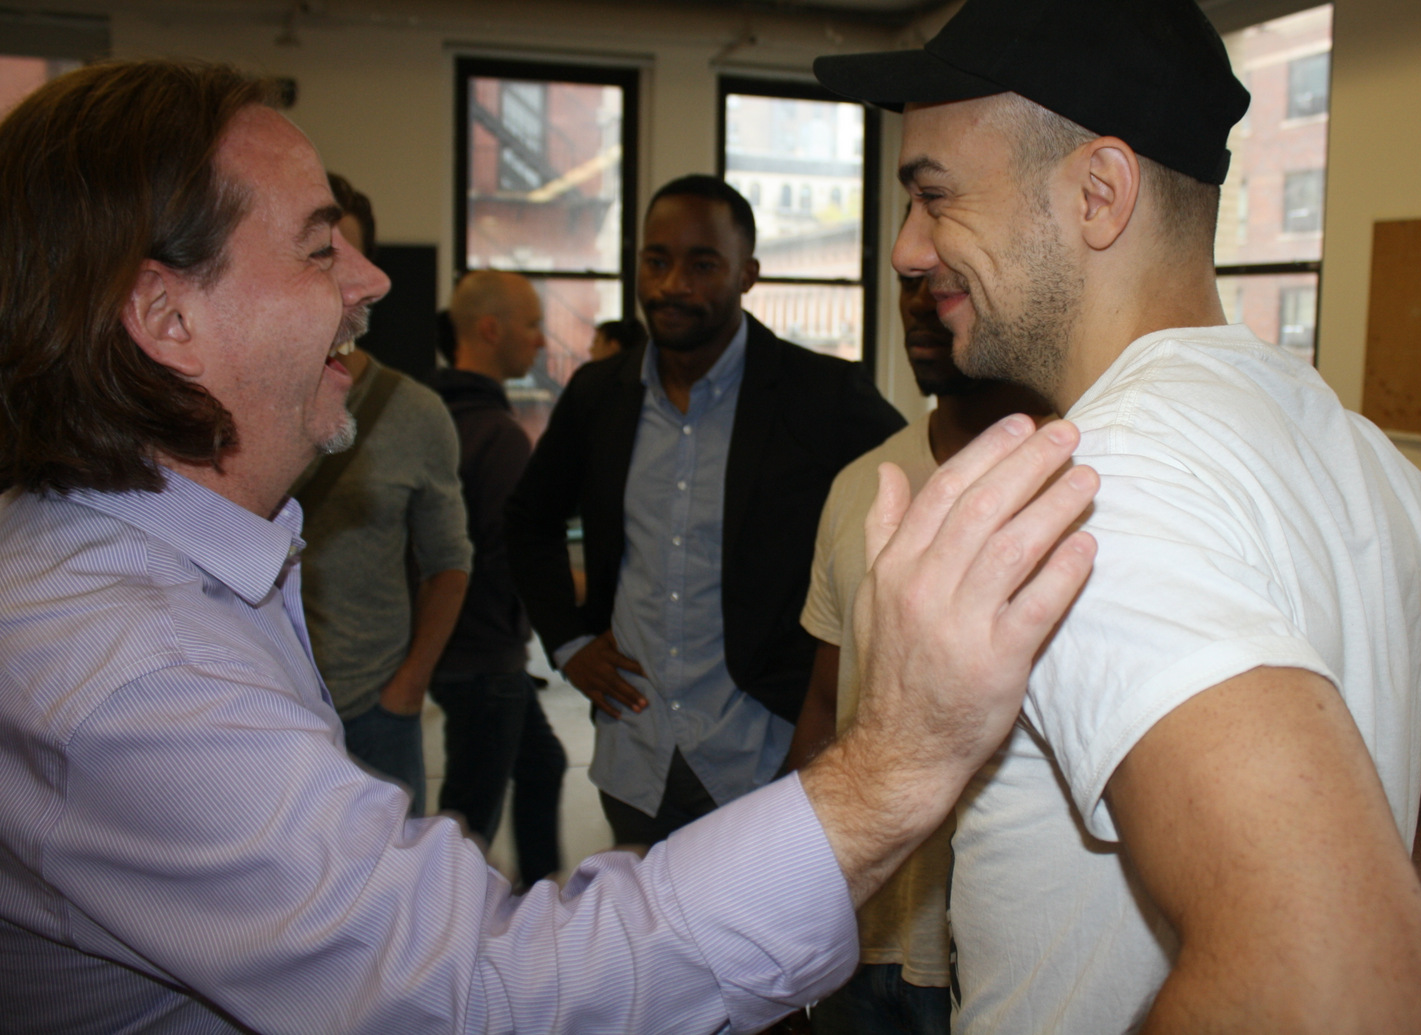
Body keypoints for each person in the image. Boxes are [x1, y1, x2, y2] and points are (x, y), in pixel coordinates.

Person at [0, 58, 1101, 1032]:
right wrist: (893, 765)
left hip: (747, 742)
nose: (373, 281)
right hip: (645, 743)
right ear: (167, 317)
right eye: (319, 247)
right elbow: (481, 992)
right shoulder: (132, 673)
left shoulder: (184, 577)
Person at [813, 0, 1421, 1031]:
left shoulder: (1099, 496)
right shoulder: (1339, 441)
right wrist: (1399, 912)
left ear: (1098, 193)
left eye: (936, 194)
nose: (908, 248)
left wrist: (1373, 936)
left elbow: (1336, 985)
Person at [506, 175, 906, 847]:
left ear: (748, 273)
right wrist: (569, 644)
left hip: (765, 752)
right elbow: (527, 520)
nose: (673, 285)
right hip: (636, 755)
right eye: (656, 261)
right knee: (638, 915)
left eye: (702, 264)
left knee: (768, 919)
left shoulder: (820, 394)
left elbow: (913, 488)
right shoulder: (600, 394)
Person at [787, 266, 1052, 1034]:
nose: (919, 302)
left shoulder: (1074, 484)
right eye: (910, 282)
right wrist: (794, 914)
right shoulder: (861, 484)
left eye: (947, 279)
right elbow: (825, 705)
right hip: (857, 941)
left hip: (994, 961)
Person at [291, 174, 472, 817]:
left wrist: (407, 688)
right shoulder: (246, 402)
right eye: (320, 256)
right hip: (266, 702)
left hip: (373, 709)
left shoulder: (413, 412)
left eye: (352, 256)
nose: (348, 280)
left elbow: (450, 561)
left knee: (393, 878)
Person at [432, 269, 568, 885]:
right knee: (468, 820)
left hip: (456, 647)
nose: (541, 341)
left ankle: (539, 898)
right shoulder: (498, 436)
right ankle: (454, 917)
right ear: (490, 329)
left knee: (543, 763)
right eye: (533, 324)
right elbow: (508, 557)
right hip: (484, 655)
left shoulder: (433, 417)